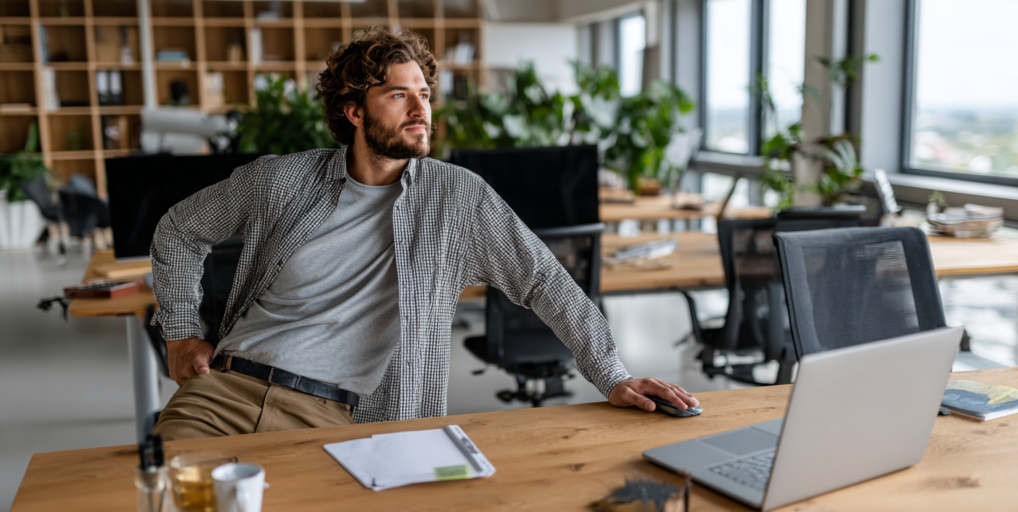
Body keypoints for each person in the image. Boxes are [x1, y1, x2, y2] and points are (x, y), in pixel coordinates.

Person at [150, 27, 699, 441]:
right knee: (163, 496)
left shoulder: (459, 198)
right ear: (354, 111)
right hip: (225, 393)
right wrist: (180, 335)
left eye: (425, 94)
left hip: (342, 419)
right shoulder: (282, 180)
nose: (421, 110)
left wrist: (613, 375)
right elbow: (178, 230)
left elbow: (545, 282)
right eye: (398, 95)